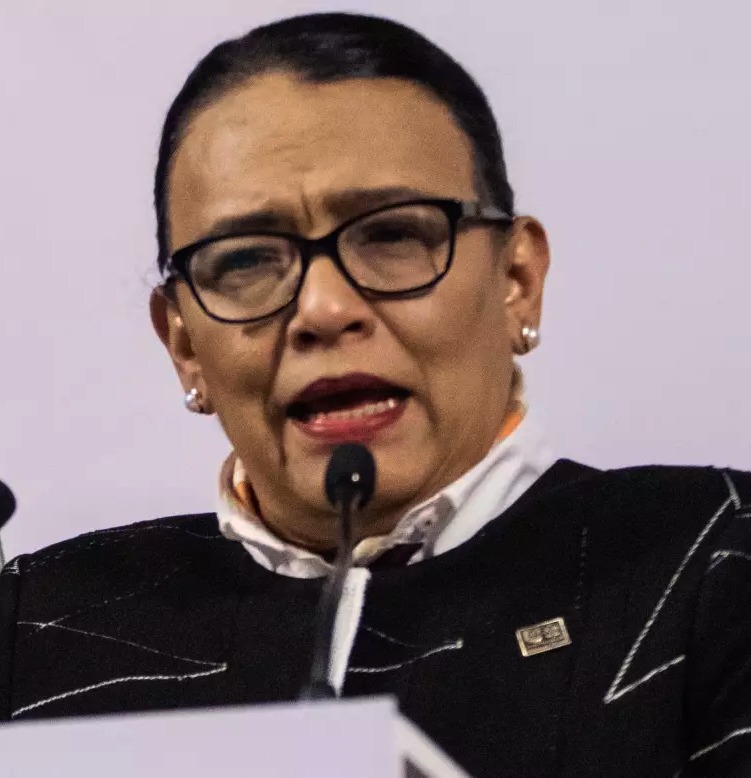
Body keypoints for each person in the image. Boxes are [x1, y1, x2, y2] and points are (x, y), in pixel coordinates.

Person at [1, 11, 749, 776]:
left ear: (516, 281)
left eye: (391, 236)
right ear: (185, 345)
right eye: (247, 260)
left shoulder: (712, 557)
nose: (324, 309)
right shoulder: (37, 627)